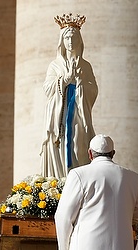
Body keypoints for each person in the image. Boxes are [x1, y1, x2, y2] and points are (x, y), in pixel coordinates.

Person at [55, 134, 138, 250]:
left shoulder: (79, 175)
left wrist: (63, 248)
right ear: (113, 153)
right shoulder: (133, 177)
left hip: (87, 244)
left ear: (90, 153)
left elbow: (64, 216)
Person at [40, 14, 98, 178]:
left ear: (79, 40)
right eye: (67, 38)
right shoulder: (55, 65)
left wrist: (80, 83)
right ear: (62, 42)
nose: (70, 42)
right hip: (58, 115)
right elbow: (47, 88)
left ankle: (77, 180)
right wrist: (63, 80)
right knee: (59, 145)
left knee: (77, 145)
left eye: (73, 38)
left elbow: (94, 90)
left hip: (78, 114)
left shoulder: (85, 66)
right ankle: (59, 180)